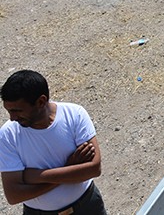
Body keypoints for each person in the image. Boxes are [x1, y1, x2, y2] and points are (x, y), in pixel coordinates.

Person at [0, 70, 106, 213]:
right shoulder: (8, 135)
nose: (12, 118)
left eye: (17, 110)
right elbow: (14, 195)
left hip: (87, 206)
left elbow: (93, 169)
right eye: (9, 111)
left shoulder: (74, 114)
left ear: (41, 101)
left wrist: (35, 176)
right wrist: (69, 167)